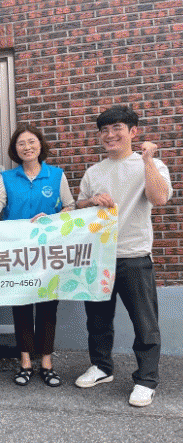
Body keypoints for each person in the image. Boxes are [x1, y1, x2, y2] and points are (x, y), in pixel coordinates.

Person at [74, 106, 172, 407]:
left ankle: (146, 379)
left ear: (133, 131)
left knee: (144, 322)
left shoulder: (150, 164)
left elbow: (159, 198)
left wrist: (147, 161)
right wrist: (92, 201)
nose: (109, 135)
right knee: (98, 320)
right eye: (104, 130)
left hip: (134, 256)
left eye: (116, 128)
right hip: (98, 257)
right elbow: (79, 207)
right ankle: (101, 367)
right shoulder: (94, 172)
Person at [0, 125, 75, 387]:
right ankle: (25, 362)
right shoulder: (7, 178)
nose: (27, 147)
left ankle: (46, 363)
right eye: (21, 143)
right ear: (15, 150)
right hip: (19, 253)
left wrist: (53, 219)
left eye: (31, 141)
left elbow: (70, 206)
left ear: (40, 145)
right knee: (22, 306)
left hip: (49, 252)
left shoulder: (56, 175)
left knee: (48, 307)